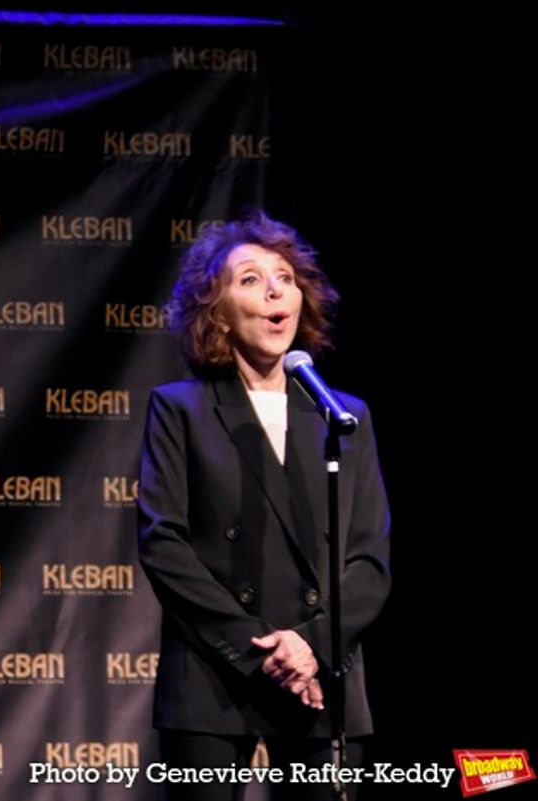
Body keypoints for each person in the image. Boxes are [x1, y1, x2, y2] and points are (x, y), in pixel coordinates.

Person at [136, 212, 390, 800]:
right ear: (215, 309)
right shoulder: (180, 409)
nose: (275, 290)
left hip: (321, 676)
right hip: (214, 674)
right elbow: (163, 542)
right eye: (249, 279)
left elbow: (369, 560)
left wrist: (310, 645)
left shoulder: (342, 416)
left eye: (285, 277)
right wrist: (261, 650)